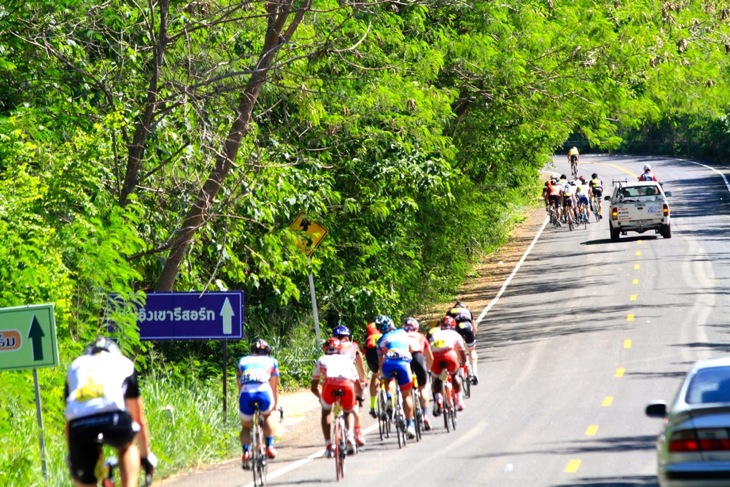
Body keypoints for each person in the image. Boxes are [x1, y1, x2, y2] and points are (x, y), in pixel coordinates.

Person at [64, 337, 155, 487]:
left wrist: (74, 454)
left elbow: (69, 418)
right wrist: (145, 456)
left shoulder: (75, 367)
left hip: (80, 425)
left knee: (84, 480)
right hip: (114, 419)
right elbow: (139, 420)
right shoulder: (123, 363)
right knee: (127, 446)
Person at [311, 337, 363, 456]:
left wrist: (321, 399)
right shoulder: (347, 360)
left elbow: (313, 387)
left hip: (329, 386)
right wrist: (360, 395)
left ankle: (329, 446)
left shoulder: (321, 360)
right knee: (348, 411)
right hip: (347, 386)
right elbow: (357, 383)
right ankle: (350, 434)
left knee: (326, 413)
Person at [236, 338, 280, 469]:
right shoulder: (272, 361)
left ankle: (245, 452)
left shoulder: (242, 361)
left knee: (246, 427)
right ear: (267, 352)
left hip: (245, 393)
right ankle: (270, 446)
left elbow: (239, 385)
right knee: (268, 416)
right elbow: (274, 387)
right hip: (263, 392)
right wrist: (274, 406)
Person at [376, 314, 417, 439]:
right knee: (407, 396)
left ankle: (389, 397)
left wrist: (381, 375)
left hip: (389, 362)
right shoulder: (403, 333)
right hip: (404, 363)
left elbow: (381, 360)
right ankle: (410, 425)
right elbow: (411, 349)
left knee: (389, 378)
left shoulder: (381, 341)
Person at [331, 325, 367, 446]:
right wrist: (363, 379)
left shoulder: (331, 346)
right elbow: (359, 365)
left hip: (333, 379)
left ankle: (337, 421)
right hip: (350, 377)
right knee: (354, 405)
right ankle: (357, 433)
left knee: (337, 402)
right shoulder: (353, 346)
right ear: (347, 337)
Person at [429, 316, 468, 412]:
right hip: (449, 356)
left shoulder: (435, 334)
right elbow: (462, 351)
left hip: (436, 357)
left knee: (438, 379)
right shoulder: (455, 334)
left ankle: (439, 398)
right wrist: (463, 362)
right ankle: (459, 401)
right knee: (454, 375)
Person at [402, 317, 434, 431]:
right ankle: (425, 415)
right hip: (418, 357)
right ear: (416, 328)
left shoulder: (401, 336)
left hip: (405, 359)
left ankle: (407, 416)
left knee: (406, 391)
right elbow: (430, 357)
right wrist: (428, 371)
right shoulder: (421, 336)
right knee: (423, 388)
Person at [446, 301, 480, 385]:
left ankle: (459, 370)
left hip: (456, 329)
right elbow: (475, 328)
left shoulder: (450, 312)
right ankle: (475, 373)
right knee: (472, 350)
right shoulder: (468, 311)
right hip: (468, 327)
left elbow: (447, 326)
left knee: (457, 350)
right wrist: (472, 338)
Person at [364, 321, 382, 418]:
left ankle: (373, 406)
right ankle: (390, 400)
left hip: (370, 351)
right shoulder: (384, 327)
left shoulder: (369, 326)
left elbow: (364, 349)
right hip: (381, 346)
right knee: (389, 375)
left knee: (375, 375)